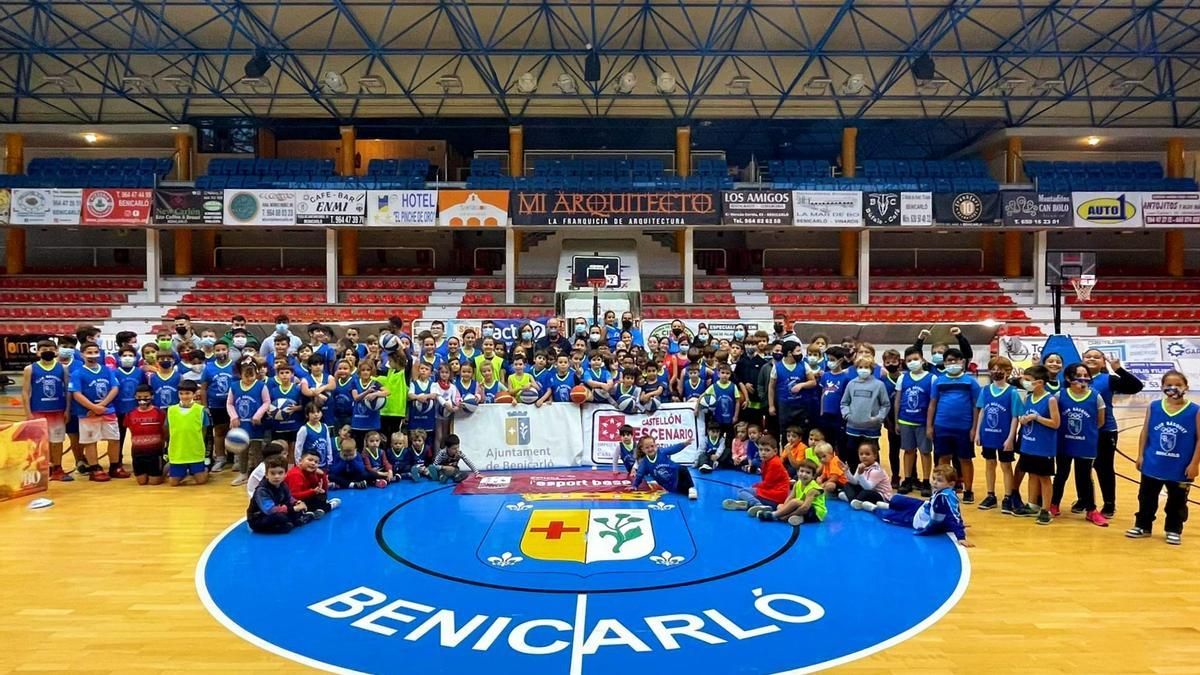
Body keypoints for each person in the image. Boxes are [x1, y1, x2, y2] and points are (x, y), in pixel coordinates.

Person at [1126, 370, 1199, 545]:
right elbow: (1145, 432)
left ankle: (1173, 529)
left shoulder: (1195, 410)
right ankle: (1143, 526)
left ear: (1186, 387)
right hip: (1153, 462)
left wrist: (1194, 464)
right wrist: (1140, 455)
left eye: (1178, 385)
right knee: (1146, 497)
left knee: (1177, 500)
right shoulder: (1154, 406)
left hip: (1180, 466)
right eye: (1168, 385)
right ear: (1162, 387)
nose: (1173, 388)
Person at [1081, 348, 1143, 518]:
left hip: (1105, 430)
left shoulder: (1109, 379)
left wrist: (1118, 369)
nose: (1092, 359)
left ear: (1103, 361)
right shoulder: (1074, 378)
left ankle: (1109, 503)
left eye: (1096, 356)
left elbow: (1136, 386)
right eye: (1088, 356)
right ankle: (1084, 499)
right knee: (1083, 468)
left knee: (1104, 467)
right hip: (1080, 431)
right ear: (1082, 359)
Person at [857, 465, 973, 547]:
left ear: (951, 484)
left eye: (939, 480)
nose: (934, 482)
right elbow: (953, 514)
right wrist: (957, 524)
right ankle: (888, 505)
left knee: (889, 516)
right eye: (934, 479)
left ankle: (873, 508)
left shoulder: (944, 497)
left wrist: (960, 536)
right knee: (897, 499)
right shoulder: (944, 491)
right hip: (923, 507)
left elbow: (953, 516)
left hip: (920, 520)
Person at [1051, 362, 1108, 526]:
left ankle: (1091, 510)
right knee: (1061, 474)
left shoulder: (1095, 396)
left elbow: (1100, 421)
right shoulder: (1059, 396)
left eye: (1086, 376)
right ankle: (1054, 504)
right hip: (1064, 443)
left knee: (1084, 477)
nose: (1083, 379)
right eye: (1079, 375)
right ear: (1068, 378)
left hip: (1086, 444)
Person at [927, 348, 981, 503]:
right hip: (942, 426)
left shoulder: (971, 382)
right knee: (943, 459)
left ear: (962, 362)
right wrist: (929, 426)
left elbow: (976, 406)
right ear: (944, 363)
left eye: (956, 360)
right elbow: (932, 404)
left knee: (965, 459)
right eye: (949, 360)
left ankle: (968, 490)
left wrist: (974, 428)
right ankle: (942, 490)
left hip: (964, 428)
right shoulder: (939, 381)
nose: (953, 363)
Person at [1012, 365, 1060, 524]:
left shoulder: (1050, 399)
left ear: (1039, 382)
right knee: (1031, 474)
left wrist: (1037, 418)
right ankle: (1032, 504)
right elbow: (1026, 416)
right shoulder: (1028, 397)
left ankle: (1046, 509)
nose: (1024, 382)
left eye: (1027, 380)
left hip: (1043, 446)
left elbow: (1055, 423)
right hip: (1028, 443)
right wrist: (1023, 419)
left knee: (1044, 478)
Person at [975, 356, 1022, 512]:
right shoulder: (985, 390)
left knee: (1006, 466)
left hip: (1004, 436)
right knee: (989, 464)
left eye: (999, 369)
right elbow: (982, 411)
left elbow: (1015, 417)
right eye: (993, 369)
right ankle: (991, 495)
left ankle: (1008, 497)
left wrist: (1011, 438)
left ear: (1007, 371)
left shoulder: (1012, 392)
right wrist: (977, 433)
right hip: (988, 434)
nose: (996, 372)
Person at [69, 342, 122, 480]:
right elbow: (76, 393)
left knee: (114, 439)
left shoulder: (107, 370)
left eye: (95, 352)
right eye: (89, 352)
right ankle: (95, 468)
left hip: (108, 410)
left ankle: (115, 466)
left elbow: (115, 388)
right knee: (91, 441)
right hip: (87, 413)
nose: (93, 355)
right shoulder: (77, 373)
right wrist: (93, 407)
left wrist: (102, 405)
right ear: (82, 355)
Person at [24, 340, 71, 481]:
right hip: (38, 411)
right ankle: (43, 469)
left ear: (56, 351)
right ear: (37, 352)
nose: (47, 351)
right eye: (44, 348)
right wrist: (28, 413)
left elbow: (67, 390)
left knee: (57, 441)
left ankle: (58, 468)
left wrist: (67, 410)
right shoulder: (30, 369)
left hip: (57, 410)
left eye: (51, 348)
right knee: (39, 443)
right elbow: (25, 392)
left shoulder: (62, 368)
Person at [896, 346, 935, 497]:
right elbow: (898, 401)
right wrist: (897, 421)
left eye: (915, 359)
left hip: (923, 422)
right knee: (908, 451)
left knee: (925, 452)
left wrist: (930, 424)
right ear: (905, 362)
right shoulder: (902, 378)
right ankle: (907, 479)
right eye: (909, 360)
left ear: (922, 360)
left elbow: (933, 402)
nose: (913, 362)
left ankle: (926, 481)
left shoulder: (931, 378)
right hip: (906, 421)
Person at [723, 436, 789, 519]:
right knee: (745, 493)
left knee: (742, 491)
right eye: (761, 450)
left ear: (775, 451)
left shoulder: (774, 463)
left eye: (767, 450)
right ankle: (747, 505)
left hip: (776, 496)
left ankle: (757, 504)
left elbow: (767, 484)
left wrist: (754, 486)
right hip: (773, 493)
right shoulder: (767, 461)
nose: (763, 453)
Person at [840, 356, 891, 463]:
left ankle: (874, 477)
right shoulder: (851, 384)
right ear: (856, 368)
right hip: (853, 427)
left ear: (871, 369)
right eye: (860, 367)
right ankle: (854, 478)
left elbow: (885, 405)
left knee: (872, 454)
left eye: (866, 367)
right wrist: (847, 415)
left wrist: (878, 418)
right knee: (852, 454)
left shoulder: (879, 385)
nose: (863, 369)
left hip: (872, 428)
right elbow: (844, 403)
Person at [227, 361, 270, 486]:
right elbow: (229, 403)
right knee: (242, 450)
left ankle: (260, 476)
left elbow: (266, 402)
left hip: (255, 424)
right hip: (240, 424)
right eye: (246, 376)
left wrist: (258, 415)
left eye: (251, 376)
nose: (249, 379)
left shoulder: (261, 386)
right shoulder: (234, 386)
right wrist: (233, 416)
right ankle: (243, 474)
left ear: (256, 374)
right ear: (240, 374)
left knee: (257, 451)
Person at [247, 455, 315, 534]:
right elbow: (270, 510)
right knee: (280, 517)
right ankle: (294, 522)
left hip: (277, 512)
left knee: (296, 512)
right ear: (266, 475)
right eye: (272, 473)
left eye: (280, 473)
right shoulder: (262, 490)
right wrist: (293, 508)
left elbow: (289, 498)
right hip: (259, 518)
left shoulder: (283, 484)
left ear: (285, 474)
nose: (276, 476)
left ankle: (293, 521)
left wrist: (297, 502)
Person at [200, 341, 236, 473]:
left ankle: (235, 458)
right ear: (214, 352)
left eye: (223, 349)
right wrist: (205, 406)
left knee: (234, 431)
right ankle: (221, 458)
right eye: (218, 350)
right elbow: (203, 389)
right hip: (216, 405)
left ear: (228, 351)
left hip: (233, 405)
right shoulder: (208, 368)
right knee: (219, 432)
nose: (221, 352)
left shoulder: (234, 366)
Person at [166, 381, 210, 486]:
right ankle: (176, 469)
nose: (184, 396)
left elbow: (204, 430)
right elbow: (168, 430)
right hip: (178, 452)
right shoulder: (171, 410)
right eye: (181, 393)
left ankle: (206, 468)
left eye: (187, 393)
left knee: (201, 481)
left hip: (195, 452)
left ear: (194, 394)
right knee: (173, 483)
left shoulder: (200, 410)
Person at [629, 435, 698, 499]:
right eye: (647, 448)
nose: (650, 449)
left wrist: (684, 444)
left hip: (677, 474)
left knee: (683, 469)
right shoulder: (644, 463)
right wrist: (635, 485)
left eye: (652, 446)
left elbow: (673, 449)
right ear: (643, 449)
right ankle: (687, 488)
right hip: (670, 484)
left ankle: (691, 487)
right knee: (681, 490)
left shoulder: (661, 451)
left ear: (655, 445)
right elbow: (639, 475)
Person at [817, 346, 853, 463]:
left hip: (839, 416)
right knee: (828, 444)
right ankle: (828, 468)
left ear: (840, 361)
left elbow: (847, 398)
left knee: (841, 445)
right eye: (828, 359)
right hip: (825, 415)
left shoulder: (846, 378)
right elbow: (823, 394)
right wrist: (822, 411)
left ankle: (841, 470)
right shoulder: (825, 376)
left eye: (832, 359)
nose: (829, 362)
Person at [125, 385, 166, 486]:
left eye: (146, 397)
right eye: (139, 397)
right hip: (137, 453)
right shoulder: (130, 414)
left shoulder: (160, 413)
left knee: (154, 482)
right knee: (142, 482)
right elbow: (131, 430)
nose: (142, 400)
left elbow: (165, 431)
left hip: (154, 453)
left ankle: (166, 466)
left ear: (152, 396)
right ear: (135, 397)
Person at [771, 459, 826, 526]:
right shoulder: (797, 483)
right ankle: (800, 518)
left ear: (813, 476)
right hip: (802, 508)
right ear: (797, 472)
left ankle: (773, 515)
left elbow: (805, 508)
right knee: (780, 506)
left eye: (808, 473)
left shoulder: (813, 489)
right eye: (802, 471)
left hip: (815, 513)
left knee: (795, 502)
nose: (804, 474)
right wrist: (784, 509)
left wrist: (786, 516)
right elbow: (790, 497)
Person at [286, 449, 341, 515]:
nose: (313, 463)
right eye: (310, 460)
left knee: (322, 495)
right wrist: (313, 491)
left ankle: (322, 507)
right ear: (300, 461)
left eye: (316, 462)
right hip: (294, 502)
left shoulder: (311, 472)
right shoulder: (296, 474)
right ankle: (329, 506)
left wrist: (322, 475)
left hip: (305, 498)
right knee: (317, 502)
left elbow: (323, 490)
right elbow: (294, 496)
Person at [350, 360, 389, 452]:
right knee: (359, 448)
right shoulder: (355, 382)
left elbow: (387, 392)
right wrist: (367, 392)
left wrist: (376, 394)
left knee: (373, 448)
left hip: (372, 422)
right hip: (358, 422)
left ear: (371, 371)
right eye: (363, 370)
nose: (365, 372)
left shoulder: (375, 383)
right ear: (359, 371)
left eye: (368, 370)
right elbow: (356, 398)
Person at [842, 441, 893, 507]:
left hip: (882, 495)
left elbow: (868, 488)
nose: (864, 456)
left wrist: (860, 474)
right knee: (847, 484)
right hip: (868, 490)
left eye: (867, 454)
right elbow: (854, 482)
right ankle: (855, 501)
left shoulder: (876, 470)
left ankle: (852, 499)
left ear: (875, 456)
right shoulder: (860, 466)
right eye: (861, 454)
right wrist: (847, 471)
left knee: (864, 493)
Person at [294, 403, 335, 470]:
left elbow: (328, 444)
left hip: (323, 464)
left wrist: (330, 459)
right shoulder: (304, 429)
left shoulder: (325, 426)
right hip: (309, 466)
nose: (316, 414)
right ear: (307, 415)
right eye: (313, 412)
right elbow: (298, 448)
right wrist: (299, 463)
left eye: (318, 412)